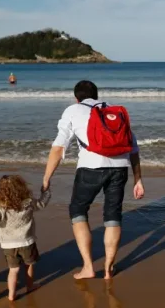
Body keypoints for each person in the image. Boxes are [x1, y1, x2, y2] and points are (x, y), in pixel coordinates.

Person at [42, 80, 144, 280]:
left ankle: (88, 267)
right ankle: (108, 269)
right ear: (97, 95)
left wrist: (47, 177)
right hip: (120, 168)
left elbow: (59, 147)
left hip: (90, 167)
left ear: (76, 98)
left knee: (78, 210)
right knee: (113, 215)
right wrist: (138, 179)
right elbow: (133, 147)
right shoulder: (114, 111)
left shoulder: (73, 110)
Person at [0, 175, 52, 301]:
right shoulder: (29, 203)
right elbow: (42, 204)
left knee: (13, 270)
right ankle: (30, 286)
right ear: (22, 187)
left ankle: (12, 294)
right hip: (27, 241)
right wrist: (46, 192)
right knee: (29, 265)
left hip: (8, 245)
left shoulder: (1, 208)